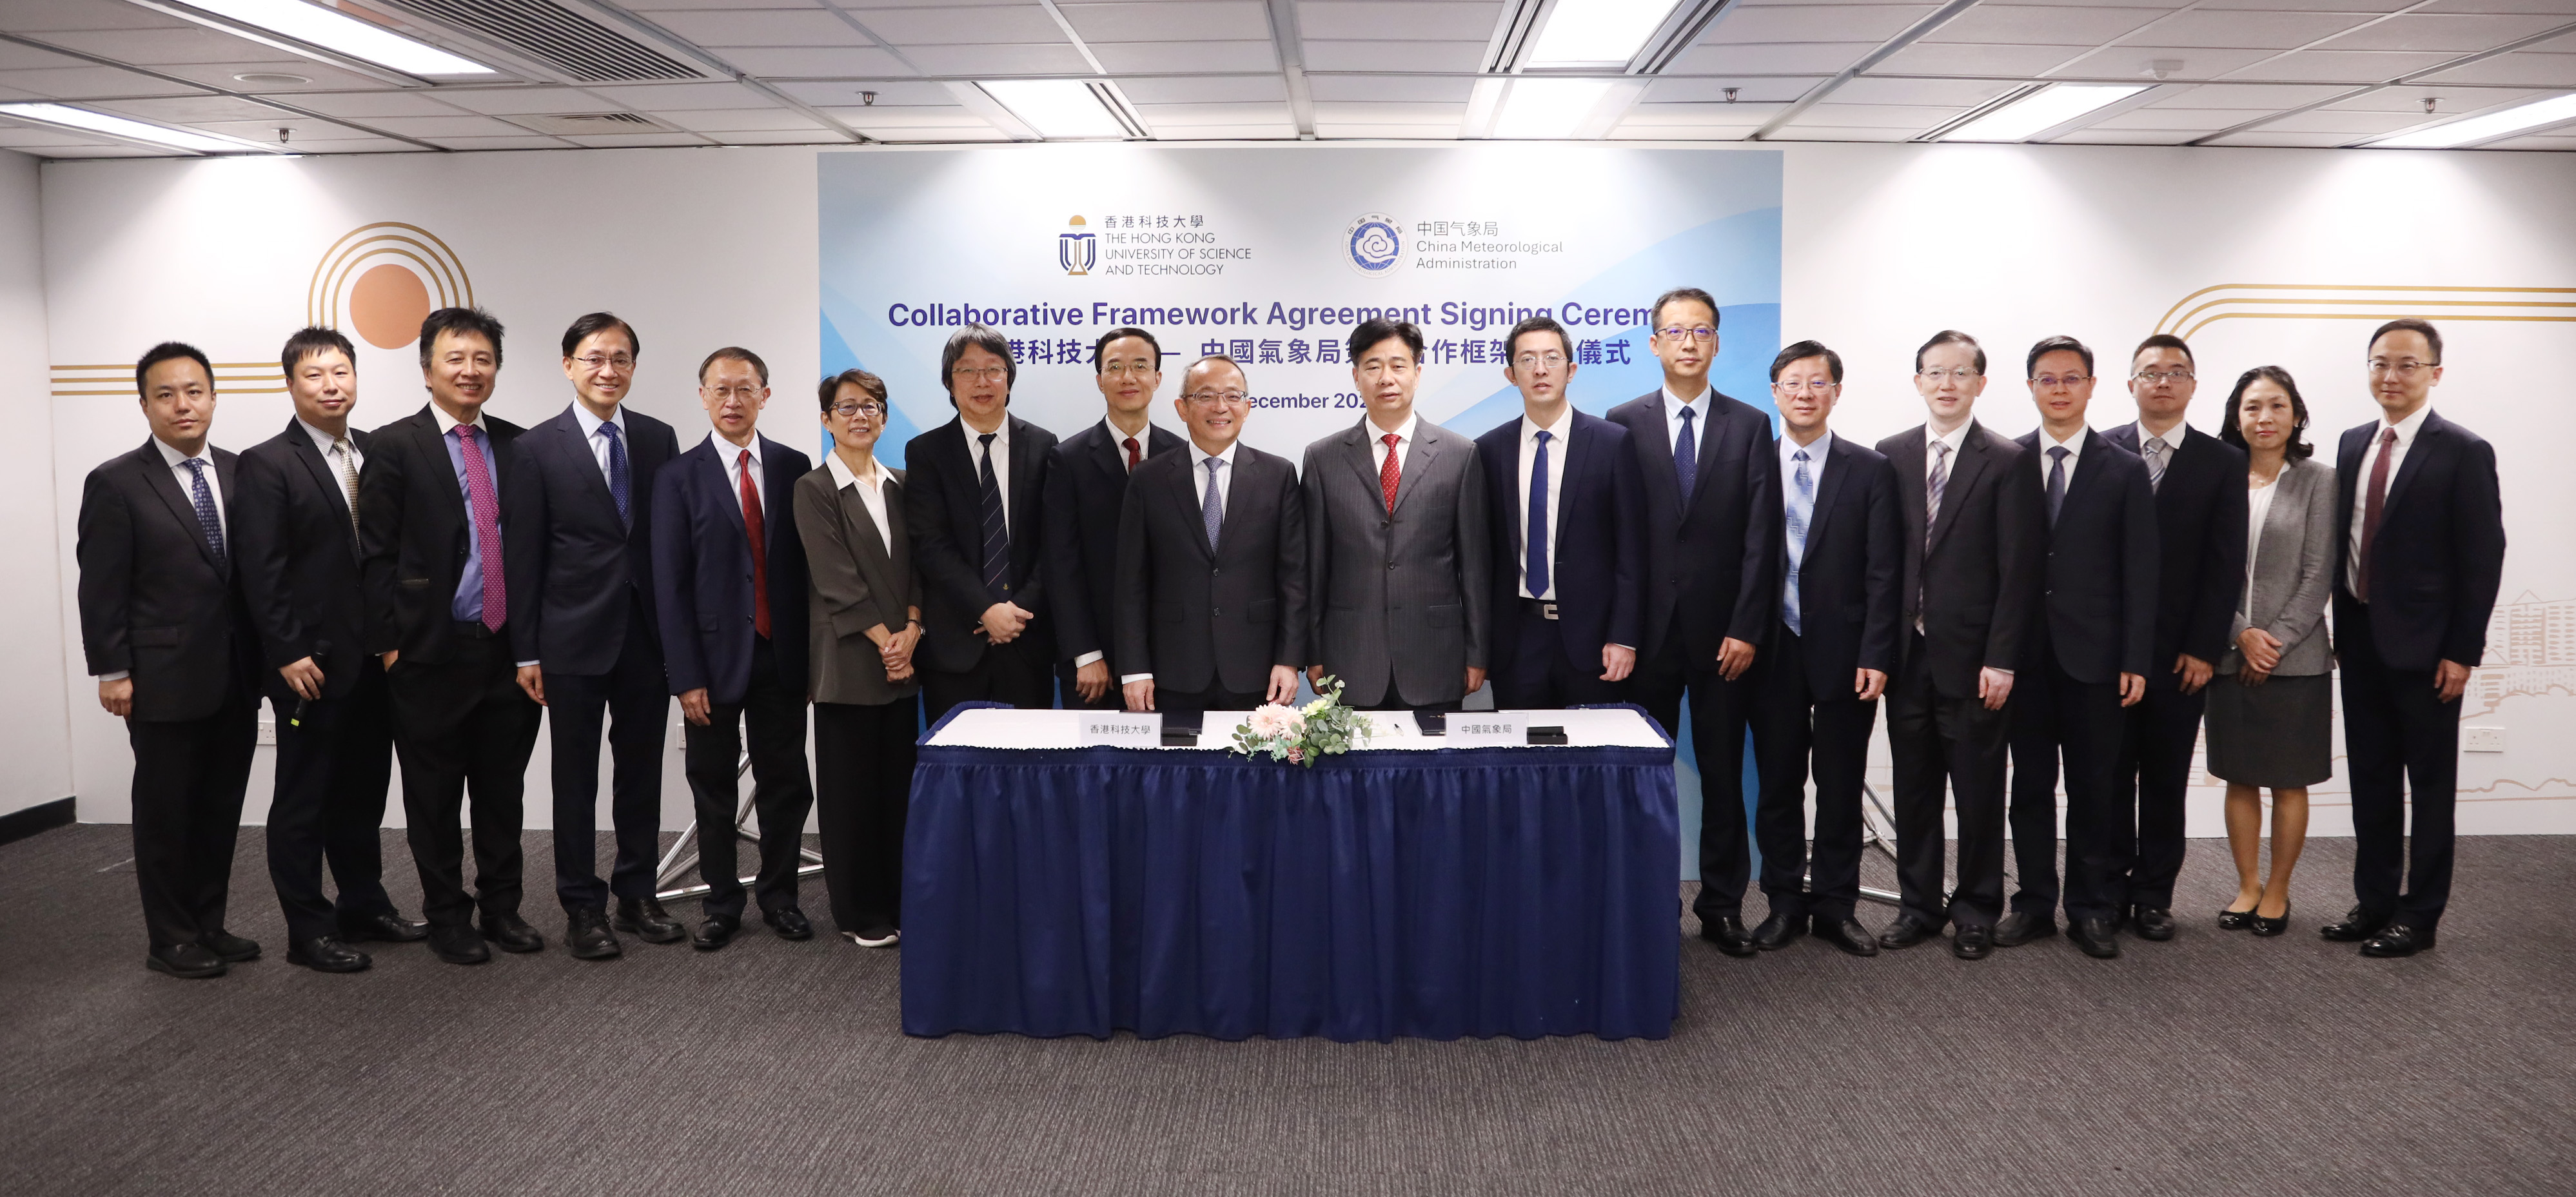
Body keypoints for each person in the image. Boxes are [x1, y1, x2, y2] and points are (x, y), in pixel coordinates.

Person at [358, 307, 545, 966]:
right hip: (427, 651)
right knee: (433, 796)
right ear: (428, 368)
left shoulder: (520, 446)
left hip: (505, 652)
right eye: (456, 359)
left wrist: (532, 644)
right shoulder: (392, 444)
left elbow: (531, 550)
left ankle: (502, 907)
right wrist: (391, 646)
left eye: (483, 359)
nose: (471, 371)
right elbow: (373, 554)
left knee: (502, 789)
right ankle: (446, 914)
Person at [231, 328, 420, 973]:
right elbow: (262, 568)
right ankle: (307, 929)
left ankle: (362, 904)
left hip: (373, 659)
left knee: (364, 792)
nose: (331, 385)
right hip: (309, 664)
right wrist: (285, 651)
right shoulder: (267, 461)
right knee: (302, 800)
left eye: (341, 372)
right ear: (291, 384)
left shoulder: (371, 452)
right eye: (315, 375)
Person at [77, 342, 262, 979]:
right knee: (166, 811)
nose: (183, 404)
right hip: (159, 678)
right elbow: (101, 584)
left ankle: (210, 922)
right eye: (166, 394)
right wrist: (112, 668)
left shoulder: (243, 472)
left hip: (236, 674)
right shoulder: (117, 481)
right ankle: (171, 937)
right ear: (145, 403)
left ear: (213, 396)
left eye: (194, 391)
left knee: (219, 805)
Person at [2322, 318, 2504, 958]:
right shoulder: (2349, 444)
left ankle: (2418, 914)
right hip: (2359, 643)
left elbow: (2481, 558)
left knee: (2428, 788)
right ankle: (2372, 901)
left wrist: (2462, 649)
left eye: (2405, 364)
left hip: (2428, 652)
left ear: (2434, 372)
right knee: (2369, 780)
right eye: (2379, 363)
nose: (2389, 376)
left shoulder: (2461, 450)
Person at [1605, 288, 1779, 955]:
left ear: (1714, 343)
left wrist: (1746, 626)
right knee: (1643, 775)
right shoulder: (1620, 422)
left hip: (1722, 640)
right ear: (1653, 344)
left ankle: (1721, 904)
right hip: (1644, 637)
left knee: (1721, 773)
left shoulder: (1747, 424)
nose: (1686, 342)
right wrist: (1619, 629)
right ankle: (1646, 900)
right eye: (1673, 331)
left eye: (1699, 331)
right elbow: (1615, 537)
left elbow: (1761, 539)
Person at [509, 312, 684, 960]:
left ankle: (637, 893)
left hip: (644, 635)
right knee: (574, 778)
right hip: (570, 638)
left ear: (633, 367)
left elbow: (667, 544)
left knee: (640, 771)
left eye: (620, 358)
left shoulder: (657, 438)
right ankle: (582, 906)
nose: (607, 370)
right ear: (568, 365)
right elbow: (522, 555)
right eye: (593, 358)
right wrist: (525, 648)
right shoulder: (534, 448)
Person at [1875, 330, 2043, 960]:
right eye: (1934, 371)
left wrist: (2001, 656)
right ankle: (1917, 906)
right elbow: (1882, 564)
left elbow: (2018, 569)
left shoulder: (2004, 459)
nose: (1946, 383)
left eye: (1960, 372)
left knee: (1976, 792)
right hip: (1906, 655)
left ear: (1979, 382)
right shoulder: (1887, 455)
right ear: (1916, 380)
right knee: (1912, 789)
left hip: (1975, 660)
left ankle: (1974, 908)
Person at [653, 347, 816, 951]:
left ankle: (780, 897)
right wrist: (684, 675)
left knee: (786, 783)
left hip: (781, 657)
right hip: (710, 665)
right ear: (702, 396)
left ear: (765, 396)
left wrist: (806, 661)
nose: (732, 401)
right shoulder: (676, 477)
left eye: (745, 390)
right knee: (713, 787)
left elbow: (805, 574)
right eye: (720, 390)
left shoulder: (795, 465)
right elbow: (668, 584)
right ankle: (722, 902)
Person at [1744, 341, 1901, 957]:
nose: (1804, 393)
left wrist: (1877, 651)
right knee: (1779, 783)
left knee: (1840, 783)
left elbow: (1884, 571)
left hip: (1846, 652)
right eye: (1791, 383)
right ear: (1774, 393)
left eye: (1817, 382)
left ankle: (1837, 906)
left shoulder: (1869, 469)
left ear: (1836, 391)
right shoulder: (1749, 464)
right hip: (1771, 648)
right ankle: (1783, 903)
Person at [2002, 335, 2157, 960]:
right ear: (2031, 387)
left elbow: (2140, 571)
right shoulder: (2005, 460)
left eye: (2071, 378)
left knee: (2095, 789)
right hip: (2025, 659)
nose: (2058, 389)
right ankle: (2034, 903)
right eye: (2046, 378)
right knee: (2030, 789)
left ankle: (2091, 907)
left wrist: (2135, 658)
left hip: (2096, 661)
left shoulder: (2121, 466)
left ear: (2092, 385)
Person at [2103, 334, 2247, 942]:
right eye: (2149, 372)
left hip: (2181, 654)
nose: (2161, 382)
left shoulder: (2221, 462)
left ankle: (2154, 895)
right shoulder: (2099, 450)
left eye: (2175, 373)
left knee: (2163, 779)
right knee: (2107, 777)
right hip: (2108, 653)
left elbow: (2224, 565)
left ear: (2192, 385)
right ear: (2129, 384)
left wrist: (2205, 648)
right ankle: (2105, 891)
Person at [1301, 317, 1490, 717]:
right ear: (1356, 376)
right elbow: (1315, 566)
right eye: (1373, 366)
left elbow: (1473, 567)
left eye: (1399, 365)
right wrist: (1313, 650)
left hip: (1435, 656)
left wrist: (1476, 651)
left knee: (1435, 777)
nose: (1386, 377)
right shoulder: (1323, 458)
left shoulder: (1460, 454)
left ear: (1418, 374)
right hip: (1349, 657)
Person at [794, 369, 921, 949]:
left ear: (885, 416)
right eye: (846, 408)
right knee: (850, 797)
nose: (860, 417)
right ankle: (857, 911)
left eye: (871, 406)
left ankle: (897, 901)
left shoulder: (901, 482)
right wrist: (886, 642)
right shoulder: (813, 489)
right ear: (826, 420)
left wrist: (913, 632)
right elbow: (835, 580)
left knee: (896, 791)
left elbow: (919, 568)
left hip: (903, 659)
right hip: (848, 660)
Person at [2208, 366, 2335, 936]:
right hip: (2229, 652)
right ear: (2236, 416)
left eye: (2276, 406)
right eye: (2252, 406)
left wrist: (2273, 641)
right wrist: (2240, 634)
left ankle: (2278, 891)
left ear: (2295, 415)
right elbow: (2203, 569)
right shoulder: (2217, 478)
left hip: (2297, 659)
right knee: (2239, 776)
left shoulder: (2319, 480)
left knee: (2288, 780)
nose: (2264, 418)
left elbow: (2318, 573)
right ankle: (2246, 886)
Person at [1115, 355, 1307, 716]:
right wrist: (1135, 668)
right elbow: (1131, 582)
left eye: (1233, 396)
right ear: (1182, 408)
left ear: (1247, 408)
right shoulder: (1149, 479)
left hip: (1258, 671)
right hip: (1171, 670)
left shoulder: (1278, 475)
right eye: (1205, 396)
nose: (1221, 406)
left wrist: (1289, 659)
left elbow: (1293, 578)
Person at [1473, 315, 1642, 710]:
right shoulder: (1488, 450)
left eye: (1552, 357)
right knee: (1520, 764)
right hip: (1517, 639)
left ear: (1572, 369)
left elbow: (1632, 552)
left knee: (1591, 765)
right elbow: (1482, 557)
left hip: (1593, 641)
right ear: (1510, 374)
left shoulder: (1612, 443)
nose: (1540, 369)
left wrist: (1624, 636)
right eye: (1527, 360)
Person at [905, 325, 1059, 724]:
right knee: (959, 772)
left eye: (993, 369)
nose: (982, 381)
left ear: (1009, 378)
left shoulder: (1044, 446)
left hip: (1028, 642)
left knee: (1029, 773)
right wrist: (986, 609)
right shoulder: (926, 452)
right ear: (949, 383)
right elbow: (931, 545)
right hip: (956, 646)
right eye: (967, 371)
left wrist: (1018, 609)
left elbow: (1055, 542)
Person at [1046, 326, 1184, 709]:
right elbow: (1061, 564)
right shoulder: (1067, 459)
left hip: (1173, 656)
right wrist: (1085, 653)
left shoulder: (1183, 456)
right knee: (1098, 765)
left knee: (1169, 767)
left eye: (1141, 366)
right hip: (1096, 663)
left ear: (1157, 379)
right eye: (1115, 367)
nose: (1128, 377)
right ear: (1099, 380)